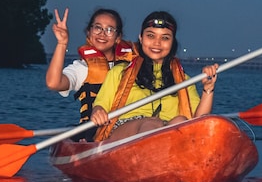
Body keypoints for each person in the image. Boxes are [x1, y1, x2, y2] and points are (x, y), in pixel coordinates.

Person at [89, 11, 219, 142]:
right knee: (151, 124)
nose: (157, 43)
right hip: (126, 131)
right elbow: (100, 106)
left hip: (167, 133)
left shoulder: (184, 81)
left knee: (181, 121)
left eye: (165, 38)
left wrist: (208, 88)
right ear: (141, 38)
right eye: (151, 36)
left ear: (173, 42)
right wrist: (98, 111)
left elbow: (199, 122)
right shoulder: (119, 72)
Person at [45, 8, 135, 132]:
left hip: (128, 129)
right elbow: (53, 83)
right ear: (89, 32)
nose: (102, 34)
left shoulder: (133, 65)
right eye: (98, 28)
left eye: (109, 30)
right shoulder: (82, 68)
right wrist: (62, 43)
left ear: (118, 37)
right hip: (93, 132)